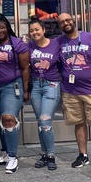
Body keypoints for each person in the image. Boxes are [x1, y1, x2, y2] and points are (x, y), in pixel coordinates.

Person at [58, 12, 91, 174]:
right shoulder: (59, 42)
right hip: (70, 91)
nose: (65, 23)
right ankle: (83, 155)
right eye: (62, 22)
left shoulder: (90, 38)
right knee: (79, 123)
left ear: (74, 21)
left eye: (68, 20)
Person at [0, 13, 30, 174]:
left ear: (7, 27)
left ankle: (13, 156)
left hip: (13, 86)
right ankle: (5, 152)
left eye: (2, 27)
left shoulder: (18, 44)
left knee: (8, 117)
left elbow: (25, 68)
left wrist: (26, 89)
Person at [27, 17, 61, 170]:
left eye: (37, 29)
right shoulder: (29, 47)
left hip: (51, 85)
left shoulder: (55, 44)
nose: (35, 32)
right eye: (32, 30)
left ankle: (51, 155)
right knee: (41, 122)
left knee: (45, 120)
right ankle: (44, 153)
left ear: (43, 30)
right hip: (36, 86)